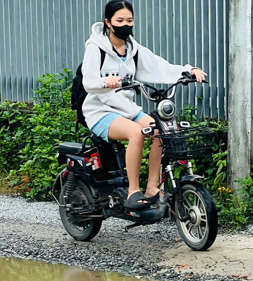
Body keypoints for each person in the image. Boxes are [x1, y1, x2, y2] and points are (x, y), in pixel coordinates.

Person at [81, 1, 207, 210]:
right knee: (137, 134)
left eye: (129, 20)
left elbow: (161, 66)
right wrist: (106, 82)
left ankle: (152, 188)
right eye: (119, 20)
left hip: (126, 109)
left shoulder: (133, 49)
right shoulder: (96, 49)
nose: (125, 25)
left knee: (161, 131)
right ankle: (133, 191)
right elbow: (88, 82)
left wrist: (189, 70)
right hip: (100, 111)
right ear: (108, 22)